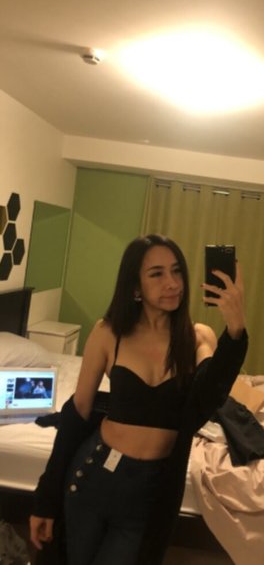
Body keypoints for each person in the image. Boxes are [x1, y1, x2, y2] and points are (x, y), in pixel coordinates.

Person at [29, 234, 247, 565]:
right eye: (156, 274)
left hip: (151, 491)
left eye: (176, 271)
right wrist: (45, 497)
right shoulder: (108, 333)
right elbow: (78, 412)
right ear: (135, 285)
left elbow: (209, 396)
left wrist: (235, 329)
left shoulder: (196, 337)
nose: (172, 283)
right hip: (94, 474)